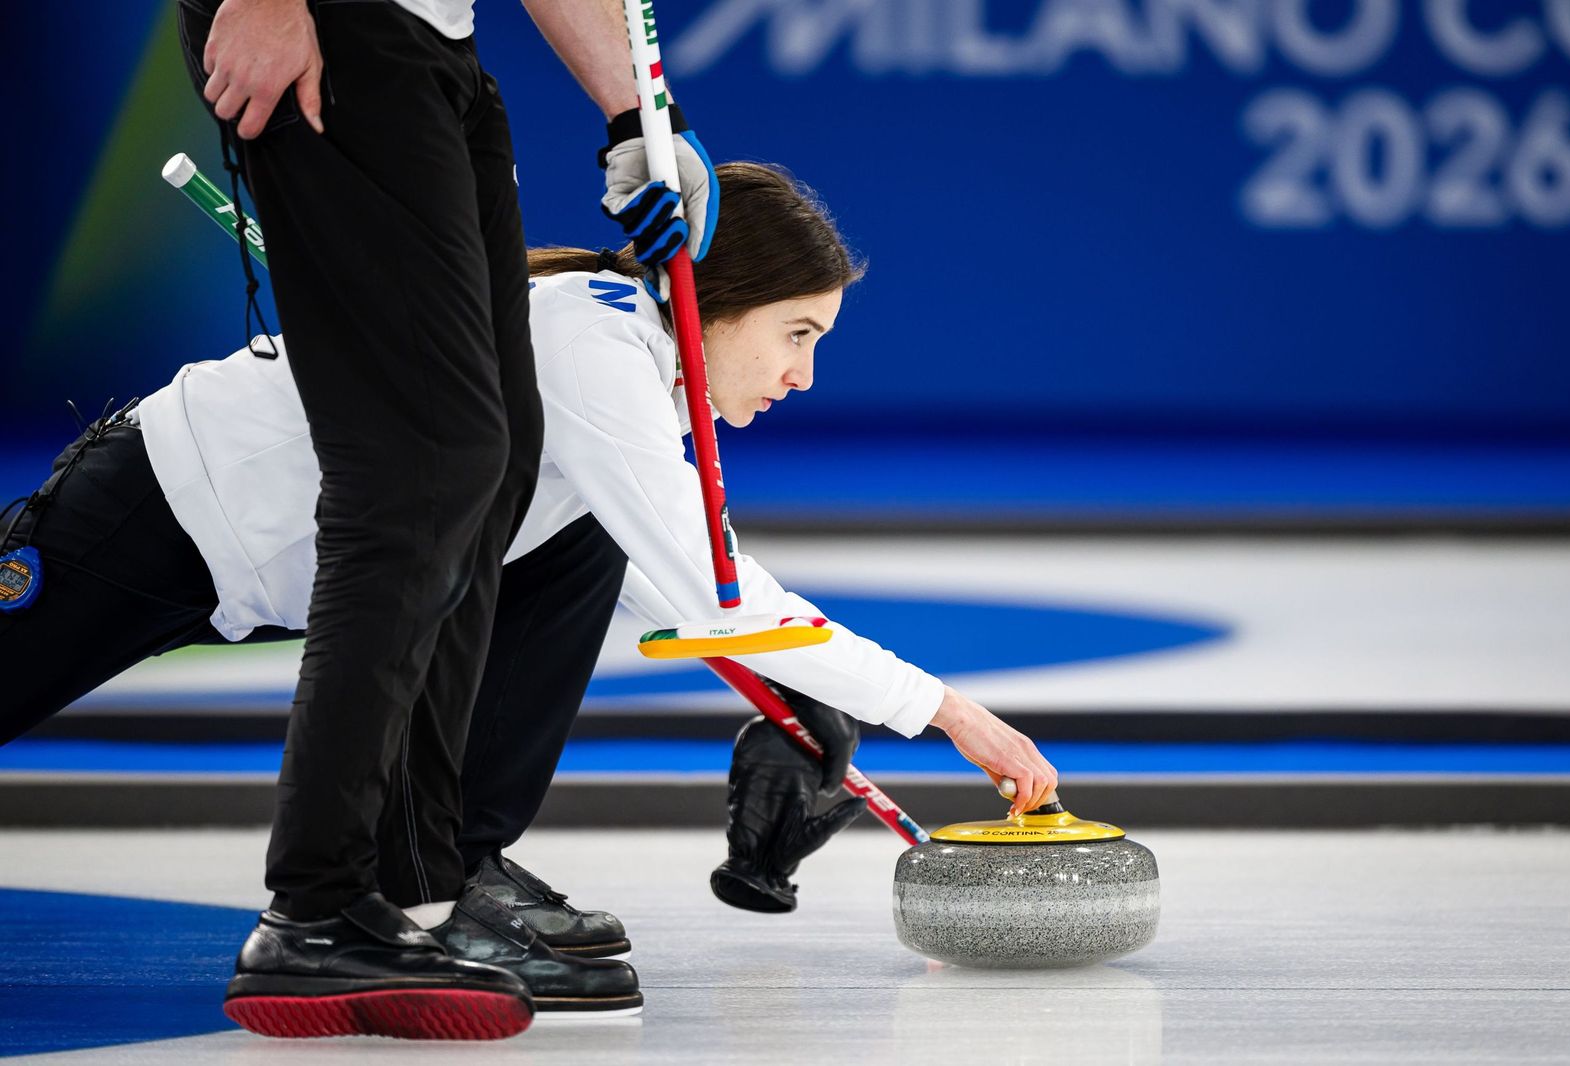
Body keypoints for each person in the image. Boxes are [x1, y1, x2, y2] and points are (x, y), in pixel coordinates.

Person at [0, 161, 1059, 1019]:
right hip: (164, 512)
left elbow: (676, 576)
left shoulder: (615, 356)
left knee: (587, 541)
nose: (803, 376)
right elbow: (719, 595)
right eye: (798, 335)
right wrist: (952, 714)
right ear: (707, 301)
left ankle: (454, 869)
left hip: (275, 560)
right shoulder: (593, 338)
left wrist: (792, 701)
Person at [164, 0, 719, 1039]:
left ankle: (422, 879)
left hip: (438, 45)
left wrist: (637, 115)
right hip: (336, 26)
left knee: (494, 457)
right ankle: (318, 905)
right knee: (423, 466)